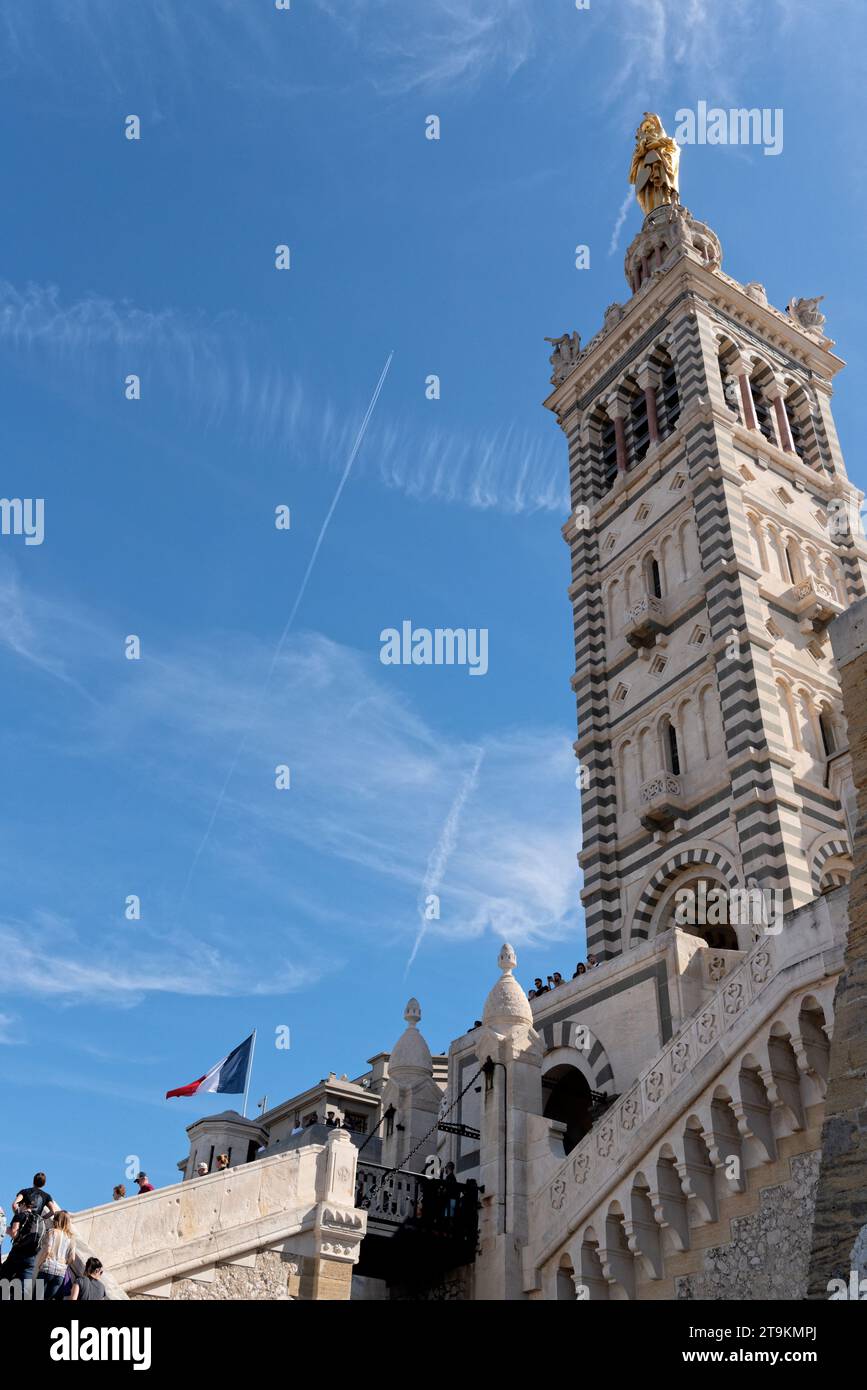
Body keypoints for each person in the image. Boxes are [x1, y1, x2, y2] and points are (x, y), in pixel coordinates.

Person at [3, 1198, 48, 1291]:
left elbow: (14, 1233)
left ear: (23, 1204)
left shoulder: (20, 1215)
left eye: (20, 1204)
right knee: (24, 1287)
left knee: (4, 1277)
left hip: (18, 1253)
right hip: (32, 1257)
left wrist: (4, 1229)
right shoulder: (39, 1219)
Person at [36, 1210, 75, 1301]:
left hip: (46, 1268)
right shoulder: (71, 1237)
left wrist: (39, 1264)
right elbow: (72, 1258)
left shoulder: (52, 1232)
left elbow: (47, 1250)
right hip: (60, 1273)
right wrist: (64, 1265)